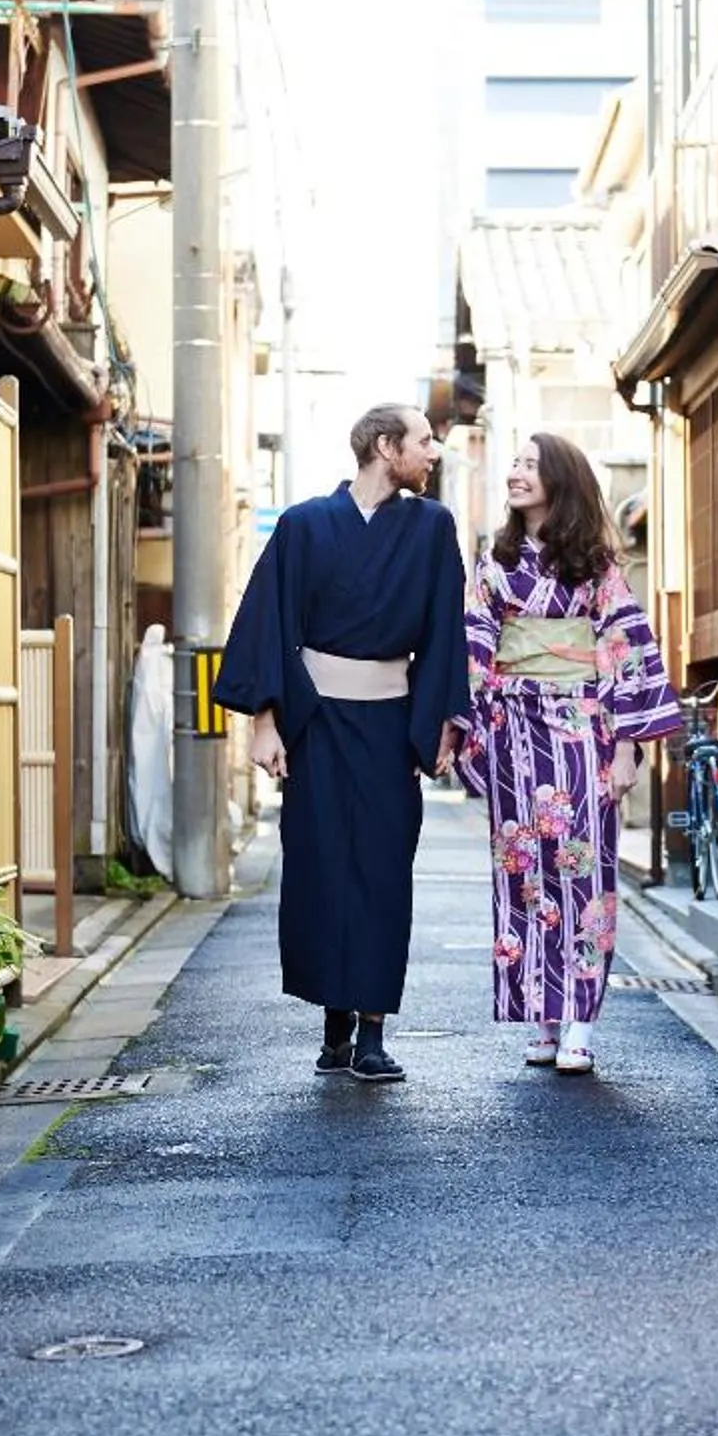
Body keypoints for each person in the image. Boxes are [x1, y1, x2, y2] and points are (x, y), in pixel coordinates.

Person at [213, 404, 472, 1083]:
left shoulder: (432, 527)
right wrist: (264, 721)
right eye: (423, 440)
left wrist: (445, 717)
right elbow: (267, 623)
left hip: (389, 724)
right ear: (386, 447)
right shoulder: (302, 527)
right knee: (322, 865)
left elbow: (447, 628)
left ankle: (372, 1031)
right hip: (318, 723)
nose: (434, 450)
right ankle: (333, 1021)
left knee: (383, 871)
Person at [457, 432, 680, 1075]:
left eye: (531, 465)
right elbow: (475, 644)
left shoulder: (597, 566)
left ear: (561, 479)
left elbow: (626, 652)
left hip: (583, 727)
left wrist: (628, 750)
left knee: (582, 871)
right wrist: (461, 726)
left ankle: (580, 1019)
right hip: (513, 731)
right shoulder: (494, 562)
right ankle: (542, 1016)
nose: (517, 473)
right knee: (522, 871)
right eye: (515, 464)